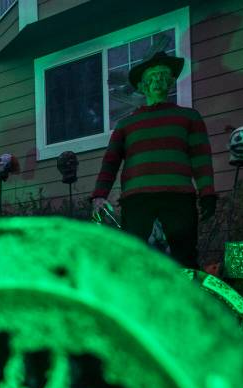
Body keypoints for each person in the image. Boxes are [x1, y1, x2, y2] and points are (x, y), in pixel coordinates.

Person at [91, 47, 216, 269]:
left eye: (162, 75)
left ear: (170, 81)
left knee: (184, 258)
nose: (157, 80)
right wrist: (100, 195)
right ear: (142, 85)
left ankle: (182, 302)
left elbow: (201, 159)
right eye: (152, 76)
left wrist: (207, 193)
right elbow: (110, 162)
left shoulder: (188, 117)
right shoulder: (126, 125)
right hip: (137, 200)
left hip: (178, 198)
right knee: (135, 258)